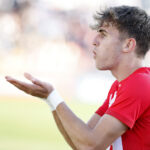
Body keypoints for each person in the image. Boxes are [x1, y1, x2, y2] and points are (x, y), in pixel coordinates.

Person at [5, 5, 150, 150]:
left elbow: (90, 145)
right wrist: (50, 99)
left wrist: (54, 97)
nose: (94, 41)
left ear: (128, 44)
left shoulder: (139, 84)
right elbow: (80, 143)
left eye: (103, 34)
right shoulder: (122, 86)